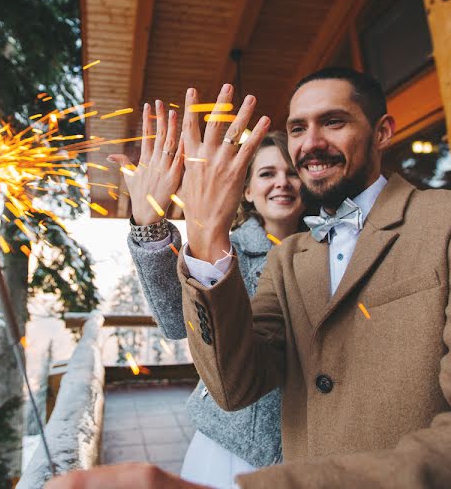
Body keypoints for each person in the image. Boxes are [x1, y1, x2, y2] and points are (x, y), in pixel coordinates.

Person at [48, 68, 451, 488]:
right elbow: (233, 384)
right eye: (298, 127)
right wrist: (199, 234)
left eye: (334, 122)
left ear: (383, 131)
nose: (310, 143)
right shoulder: (291, 257)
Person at [108, 98, 306, 488]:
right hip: (233, 444)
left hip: (315, 440)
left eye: (292, 172)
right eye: (267, 173)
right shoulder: (221, 249)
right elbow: (174, 321)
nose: (281, 181)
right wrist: (148, 222)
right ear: (245, 190)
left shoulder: (333, 247)